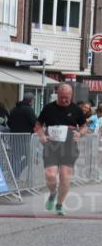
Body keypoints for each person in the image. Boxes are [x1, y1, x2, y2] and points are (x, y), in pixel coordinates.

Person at [35, 84, 87, 216]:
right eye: (61, 97)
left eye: (67, 98)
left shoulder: (76, 109)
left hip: (69, 147)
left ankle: (59, 205)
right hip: (51, 147)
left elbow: (84, 126)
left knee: (64, 177)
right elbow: (38, 125)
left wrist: (80, 133)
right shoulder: (48, 108)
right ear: (57, 95)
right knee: (50, 175)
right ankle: (53, 193)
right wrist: (41, 136)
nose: (64, 100)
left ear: (71, 96)